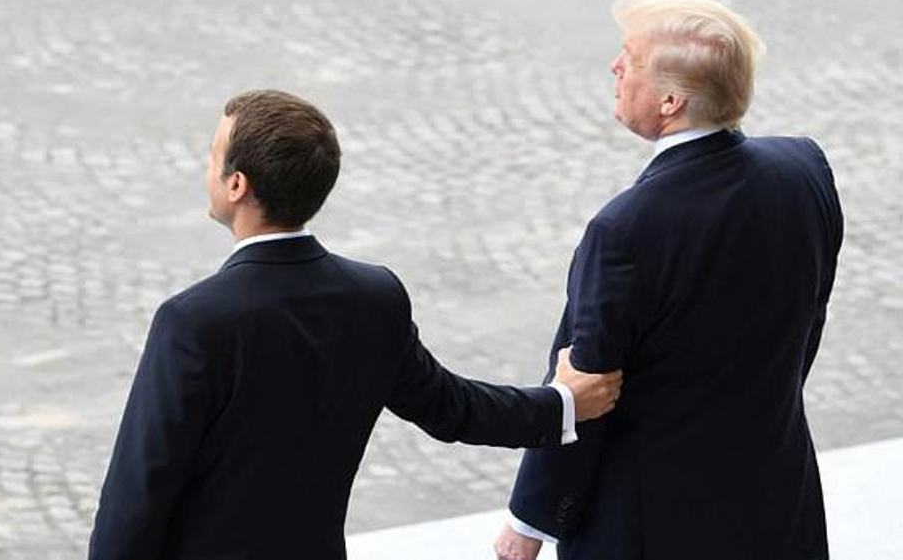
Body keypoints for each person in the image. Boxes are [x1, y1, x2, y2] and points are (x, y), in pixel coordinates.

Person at [87, 89, 623, 560]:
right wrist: (561, 406)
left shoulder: (193, 320)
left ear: (236, 185)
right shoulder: (373, 297)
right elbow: (451, 408)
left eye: (212, 157)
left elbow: (140, 489)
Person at [495, 0, 843, 560]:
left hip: (650, 524)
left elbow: (586, 390)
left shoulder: (624, 229)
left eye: (629, 60)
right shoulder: (803, 170)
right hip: (778, 500)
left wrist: (529, 523)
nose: (614, 68)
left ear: (670, 100)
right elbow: (808, 318)